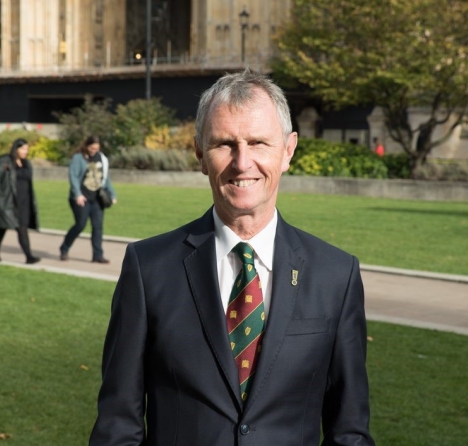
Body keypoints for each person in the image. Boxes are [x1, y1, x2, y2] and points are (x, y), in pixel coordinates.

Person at [89, 70, 374, 446]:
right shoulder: (148, 269)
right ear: (200, 154)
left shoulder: (336, 275)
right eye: (225, 144)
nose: (242, 162)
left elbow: (349, 431)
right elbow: (117, 426)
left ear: (288, 150)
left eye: (258, 143)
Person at [59, 136, 116, 263]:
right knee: (80, 225)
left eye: (96, 148)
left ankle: (97, 255)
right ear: (86, 145)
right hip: (81, 198)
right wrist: (78, 194)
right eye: (92, 148)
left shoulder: (102, 158)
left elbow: (106, 178)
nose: (94, 151)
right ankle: (64, 248)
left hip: (97, 198)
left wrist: (112, 194)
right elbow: (73, 177)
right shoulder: (78, 158)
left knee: (98, 227)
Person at [0, 138, 40, 264]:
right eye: (23, 149)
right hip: (8, 201)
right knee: (2, 228)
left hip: (24, 202)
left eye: (27, 149)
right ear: (16, 148)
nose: (26, 152)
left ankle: (28, 256)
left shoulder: (27, 163)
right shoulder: (5, 162)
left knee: (22, 228)